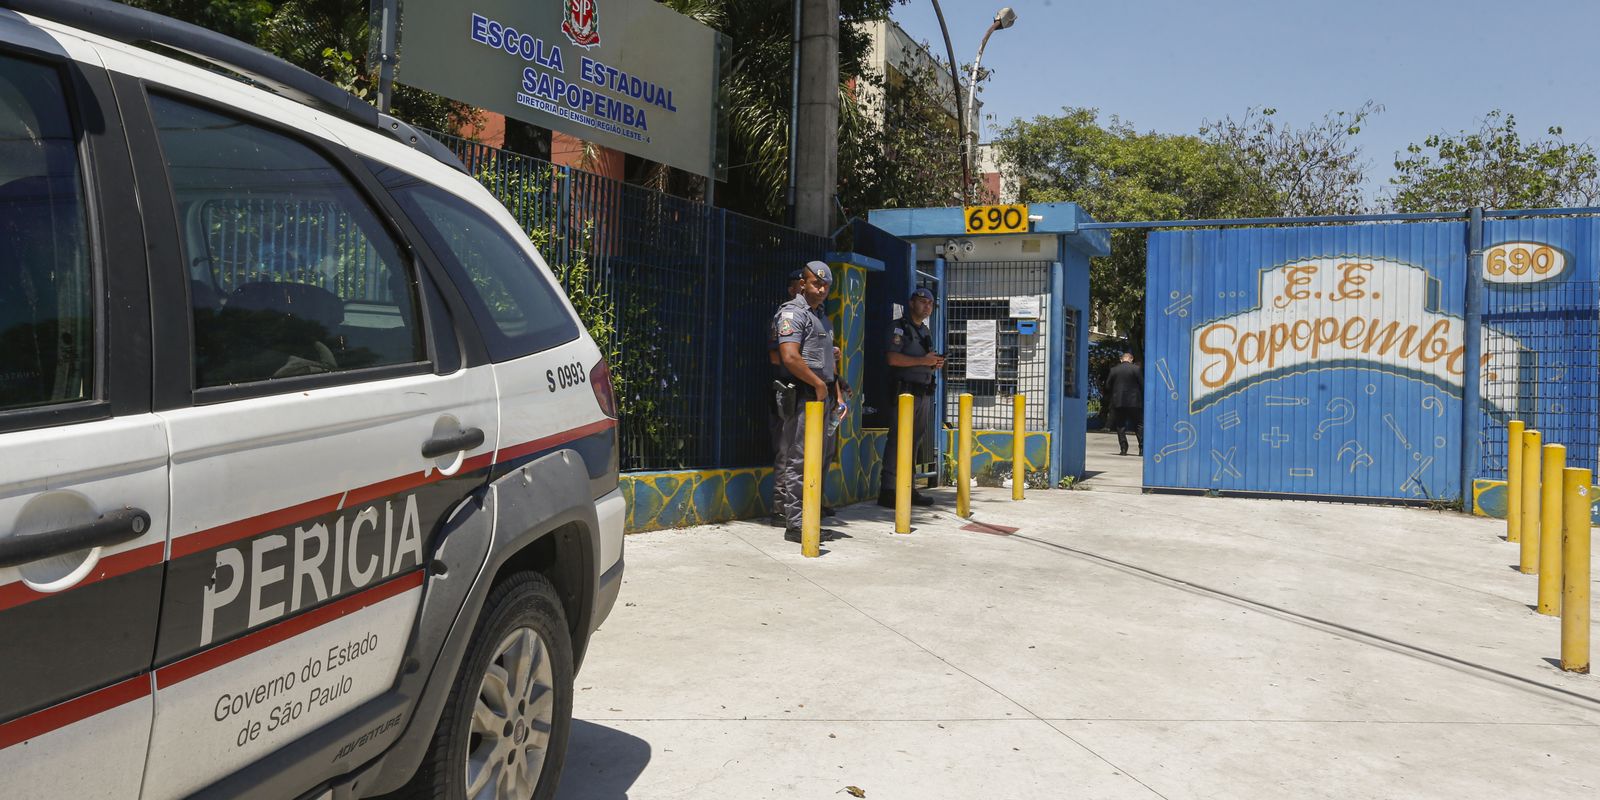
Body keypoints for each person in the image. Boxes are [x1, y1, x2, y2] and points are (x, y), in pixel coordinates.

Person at [772, 262, 839, 542]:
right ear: (802, 283)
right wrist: (818, 383)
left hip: (820, 397)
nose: (821, 289)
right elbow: (788, 357)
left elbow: (820, 360)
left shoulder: (819, 316)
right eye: (815, 283)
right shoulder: (792, 313)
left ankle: (808, 517)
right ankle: (795, 524)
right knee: (798, 461)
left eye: (825, 285)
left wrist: (834, 386)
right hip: (802, 396)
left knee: (816, 459)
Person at [879, 286, 943, 507]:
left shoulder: (925, 331)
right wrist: (923, 361)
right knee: (898, 440)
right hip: (904, 393)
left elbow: (925, 359)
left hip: (923, 392)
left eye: (931, 303)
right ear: (912, 303)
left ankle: (908, 487)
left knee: (914, 442)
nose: (927, 306)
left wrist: (934, 363)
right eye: (923, 302)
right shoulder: (899, 329)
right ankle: (888, 489)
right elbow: (893, 359)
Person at [1105, 352, 1143, 456]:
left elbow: (1107, 385)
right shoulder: (1136, 369)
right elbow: (1142, 384)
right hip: (1134, 401)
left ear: (1121, 360)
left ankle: (1123, 449)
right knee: (1139, 424)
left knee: (1120, 425)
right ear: (1131, 359)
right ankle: (1142, 448)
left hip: (1119, 401)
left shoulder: (1114, 370)